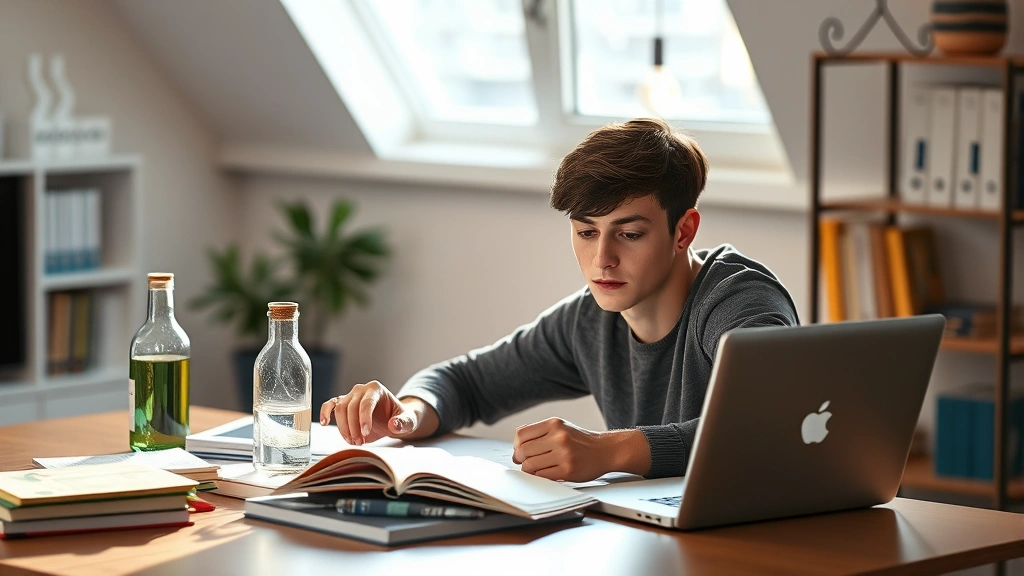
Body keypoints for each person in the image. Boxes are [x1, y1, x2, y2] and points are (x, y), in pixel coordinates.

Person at [319, 118, 799, 482]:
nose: (602, 259)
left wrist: (612, 451)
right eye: (586, 232)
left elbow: (767, 420)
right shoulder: (588, 322)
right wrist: (406, 414)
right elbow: (466, 382)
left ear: (683, 230)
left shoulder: (739, 301)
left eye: (629, 234)